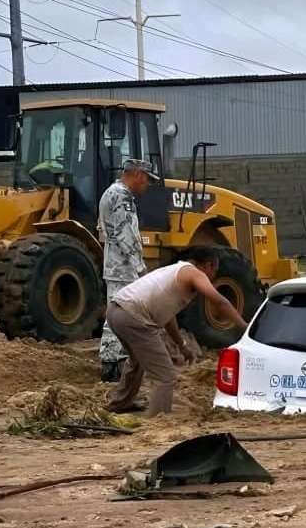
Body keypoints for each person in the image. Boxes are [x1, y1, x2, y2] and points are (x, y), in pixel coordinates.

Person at [107, 247, 248, 415]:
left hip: (115, 311)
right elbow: (220, 302)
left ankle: (120, 404)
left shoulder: (174, 271)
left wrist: (182, 345)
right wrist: (245, 326)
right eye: (215, 271)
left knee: (137, 360)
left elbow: (168, 317)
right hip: (133, 316)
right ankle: (159, 421)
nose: (213, 276)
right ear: (208, 266)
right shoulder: (194, 273)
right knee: (165, 375)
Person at [97, 159, 154, 382]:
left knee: (114, 317)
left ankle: (110, 366)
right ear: (139, 175)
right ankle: (119, 369)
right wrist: (141, 269)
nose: (147, 184)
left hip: (114, 266)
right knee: (125, 317)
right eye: (147, 179)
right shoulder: (122, 196)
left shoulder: (109, 193)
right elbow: (126, 235)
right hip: (124, 268)